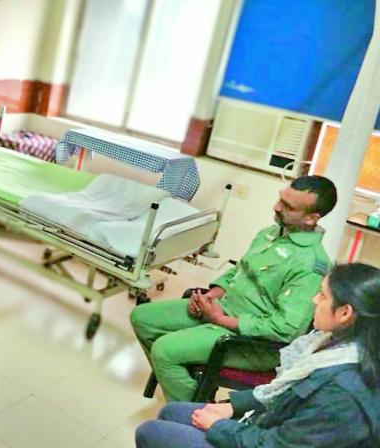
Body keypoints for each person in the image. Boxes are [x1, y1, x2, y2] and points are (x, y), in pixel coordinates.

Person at [130, 175, 337, 401]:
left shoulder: (310, 264)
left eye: (287, 207)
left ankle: (194, 415)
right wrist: (211, 296)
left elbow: (286, 329)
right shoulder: (270, 233)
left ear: (311, 218)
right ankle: (191, 390)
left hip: (252, 342)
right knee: (142, 317)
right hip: (221, 310)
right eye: (280, 199)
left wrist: (221, 320)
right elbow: (239, 270)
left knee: (164, 351)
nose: (276, 207)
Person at [135, 262, 380, 447]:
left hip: (269, 437)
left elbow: (275, 445)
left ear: (345, 313)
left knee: (149, 432)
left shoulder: (342, 394)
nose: (314, 300)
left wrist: (219, 427)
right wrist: (234, 406)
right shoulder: (331, 342)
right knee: (171, 411)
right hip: (270, 422)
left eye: (323, 296)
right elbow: (284, 392)